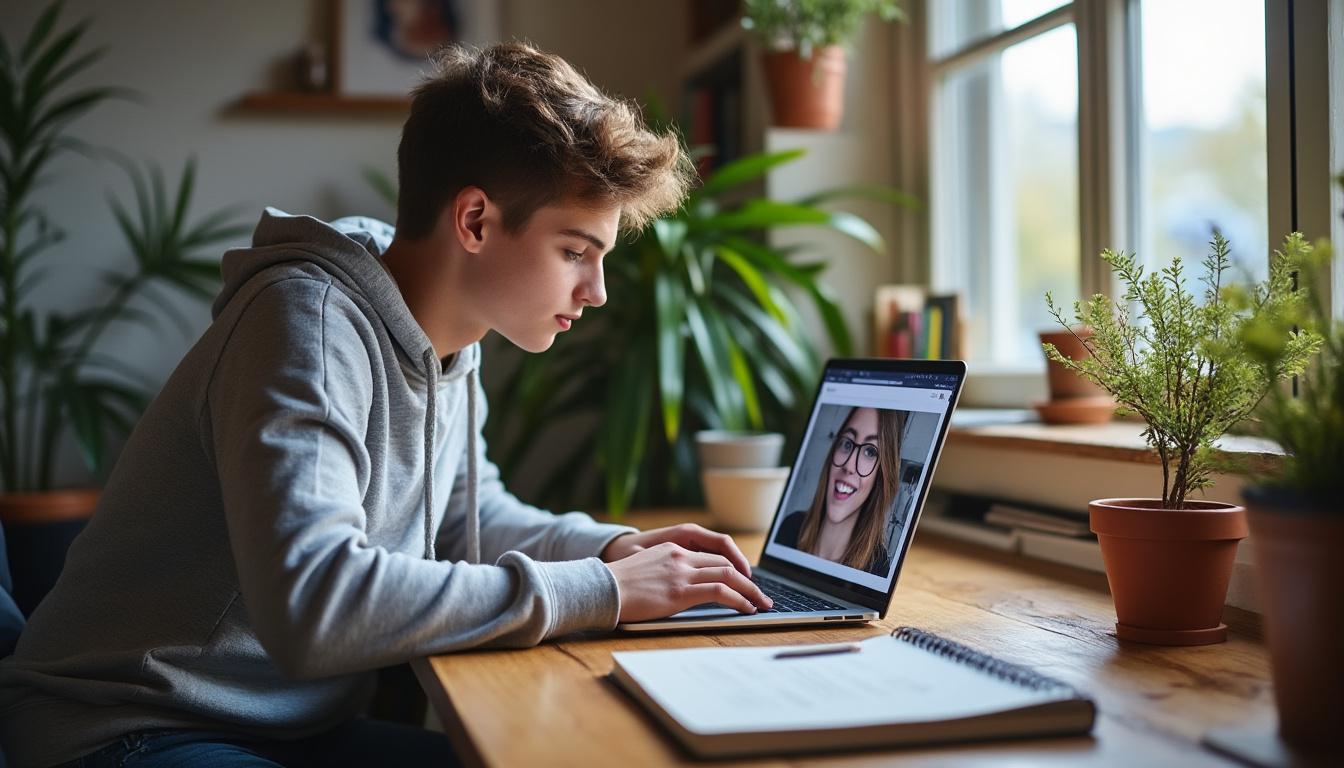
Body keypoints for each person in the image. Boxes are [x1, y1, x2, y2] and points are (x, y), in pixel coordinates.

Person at [0, 42, 773, 768]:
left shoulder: (447, 338)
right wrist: (600, 595)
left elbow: (466, 517)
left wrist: (612, 553)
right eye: (575, 251)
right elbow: (317, 602)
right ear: (474, 220)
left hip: (285, 726)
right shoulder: (306, 321)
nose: (595, 291)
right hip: (128, 729)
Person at [775, 407, 906, 575]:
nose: (849, 465)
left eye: (870, 452)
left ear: (882, 476)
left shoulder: (878, 567)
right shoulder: (791, 527)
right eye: (847, 443)